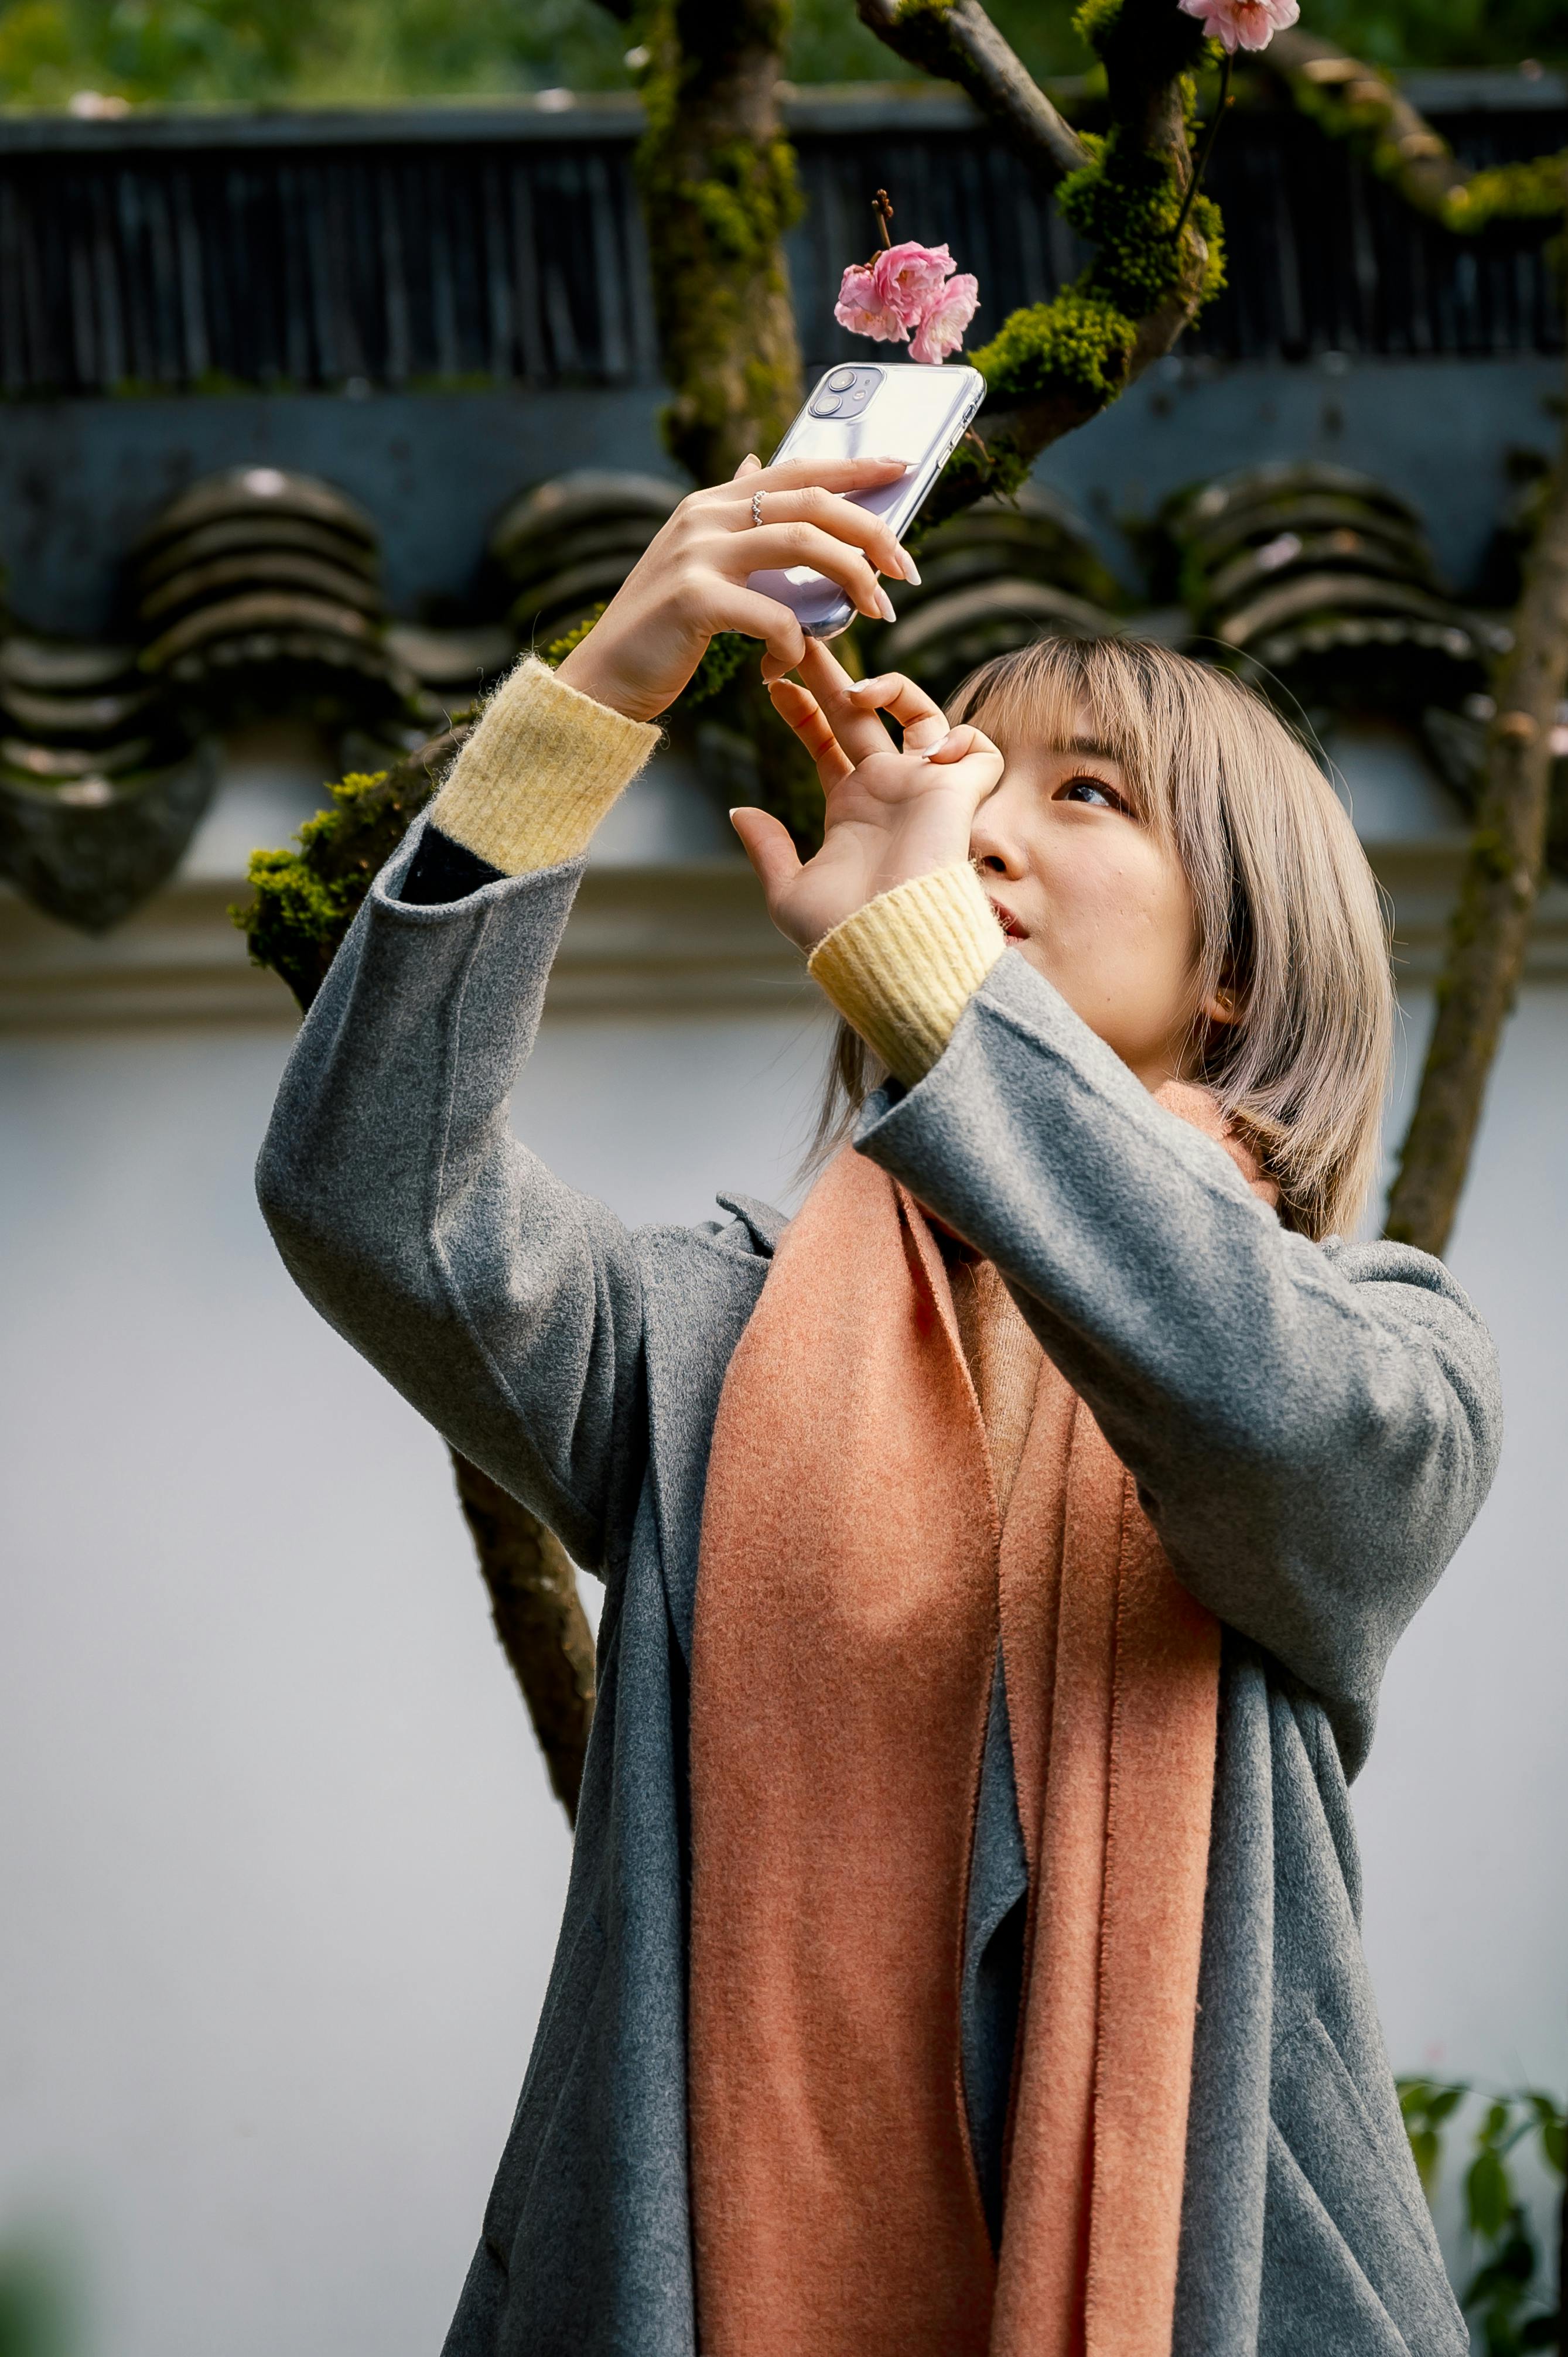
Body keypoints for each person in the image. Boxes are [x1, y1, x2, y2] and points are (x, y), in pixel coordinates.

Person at [257, 452, 1501, 2357]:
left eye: (1084, 794)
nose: (977, 830)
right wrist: (600, 699)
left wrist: (930, 975)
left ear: (1238, 974)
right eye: (968, 782)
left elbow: (1283, 1428)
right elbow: (375, 1198)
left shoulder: (1389, 1344)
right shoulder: (722, 1341)